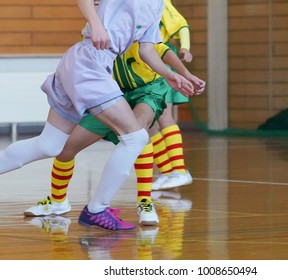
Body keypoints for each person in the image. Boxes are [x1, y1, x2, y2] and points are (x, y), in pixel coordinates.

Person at [0, 0, 197, 231]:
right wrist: (96, 24)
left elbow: (147, 51)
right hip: (89, 63)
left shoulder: (156, 7)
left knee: (49, 144)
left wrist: (171, 75)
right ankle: (97, 209)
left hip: (84, 64)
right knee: (135, 137)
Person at [23, 41, 205, 227]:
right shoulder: (96, 32)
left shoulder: (138, 22)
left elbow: (163, 50)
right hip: (111, 93)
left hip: (147, 91)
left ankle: (145, 201)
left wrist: (186, 74)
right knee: (67, 148)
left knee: (138, 131)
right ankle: (57, 201)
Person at [149, 0, 195, 191]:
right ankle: (167, 172)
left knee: (163, 116)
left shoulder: (159, 2)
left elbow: (181, 24)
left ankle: (179, 170)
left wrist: (185, 47)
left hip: (160, 58)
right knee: (147, 124)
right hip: (141, 62)